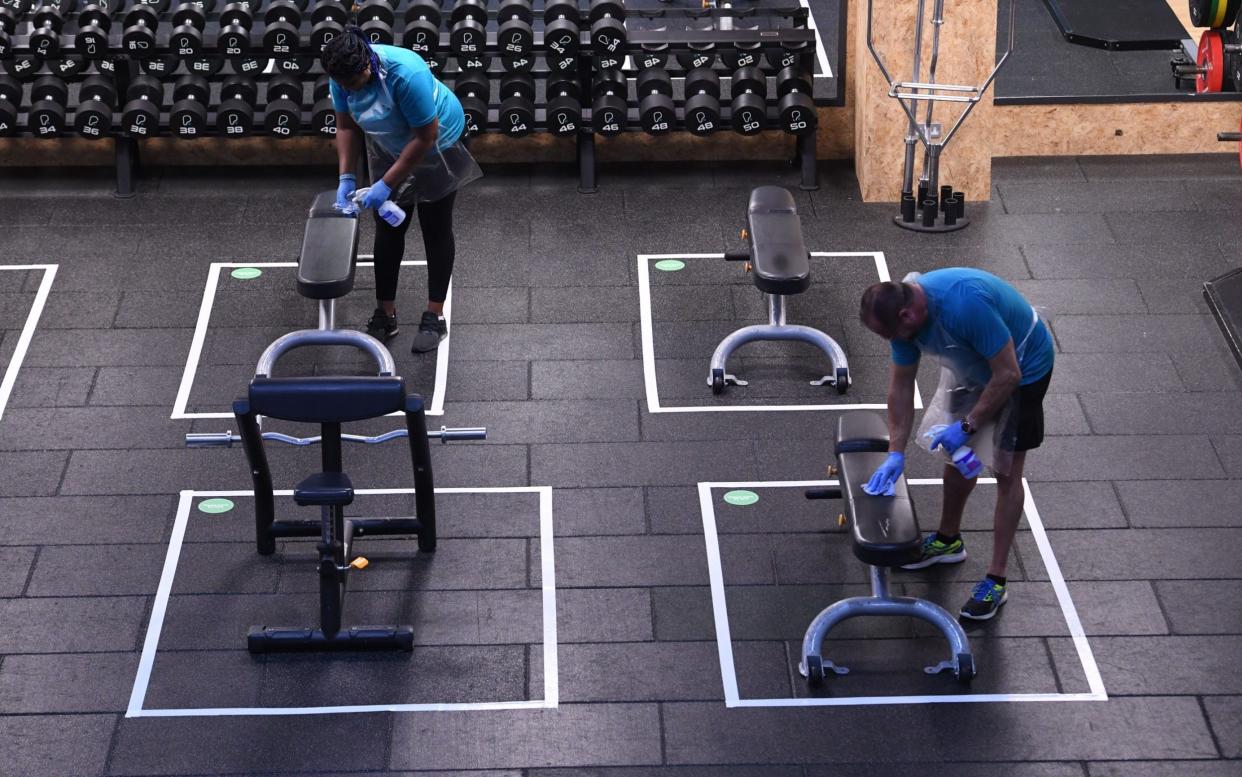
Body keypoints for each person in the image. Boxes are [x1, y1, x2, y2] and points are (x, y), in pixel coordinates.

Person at [858, 268, 1054, 621]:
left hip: (1023, 369)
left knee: (1007, 473)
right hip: (975, 367)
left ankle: (996, 579)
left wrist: (968, 424)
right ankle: (949, 540)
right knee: (957, 456)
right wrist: (895, 453)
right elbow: (900, 389)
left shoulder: (965, 304)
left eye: (891, 334)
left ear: (907, 315)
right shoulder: (904, 320)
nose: (893, 341)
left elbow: (1009, 374)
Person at [321, 28, 481, 353]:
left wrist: (385, 184)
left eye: (355, 83)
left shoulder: (407, 74)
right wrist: (346, 179)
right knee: (389, 228)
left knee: (435, 227)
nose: (349, 89)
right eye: (344, 85)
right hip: (388, 140)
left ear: (367, 64)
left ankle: (434, 315)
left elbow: (425, 137)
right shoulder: (340, 77)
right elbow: (346, 125)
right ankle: (385, 312)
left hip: (440, 143)